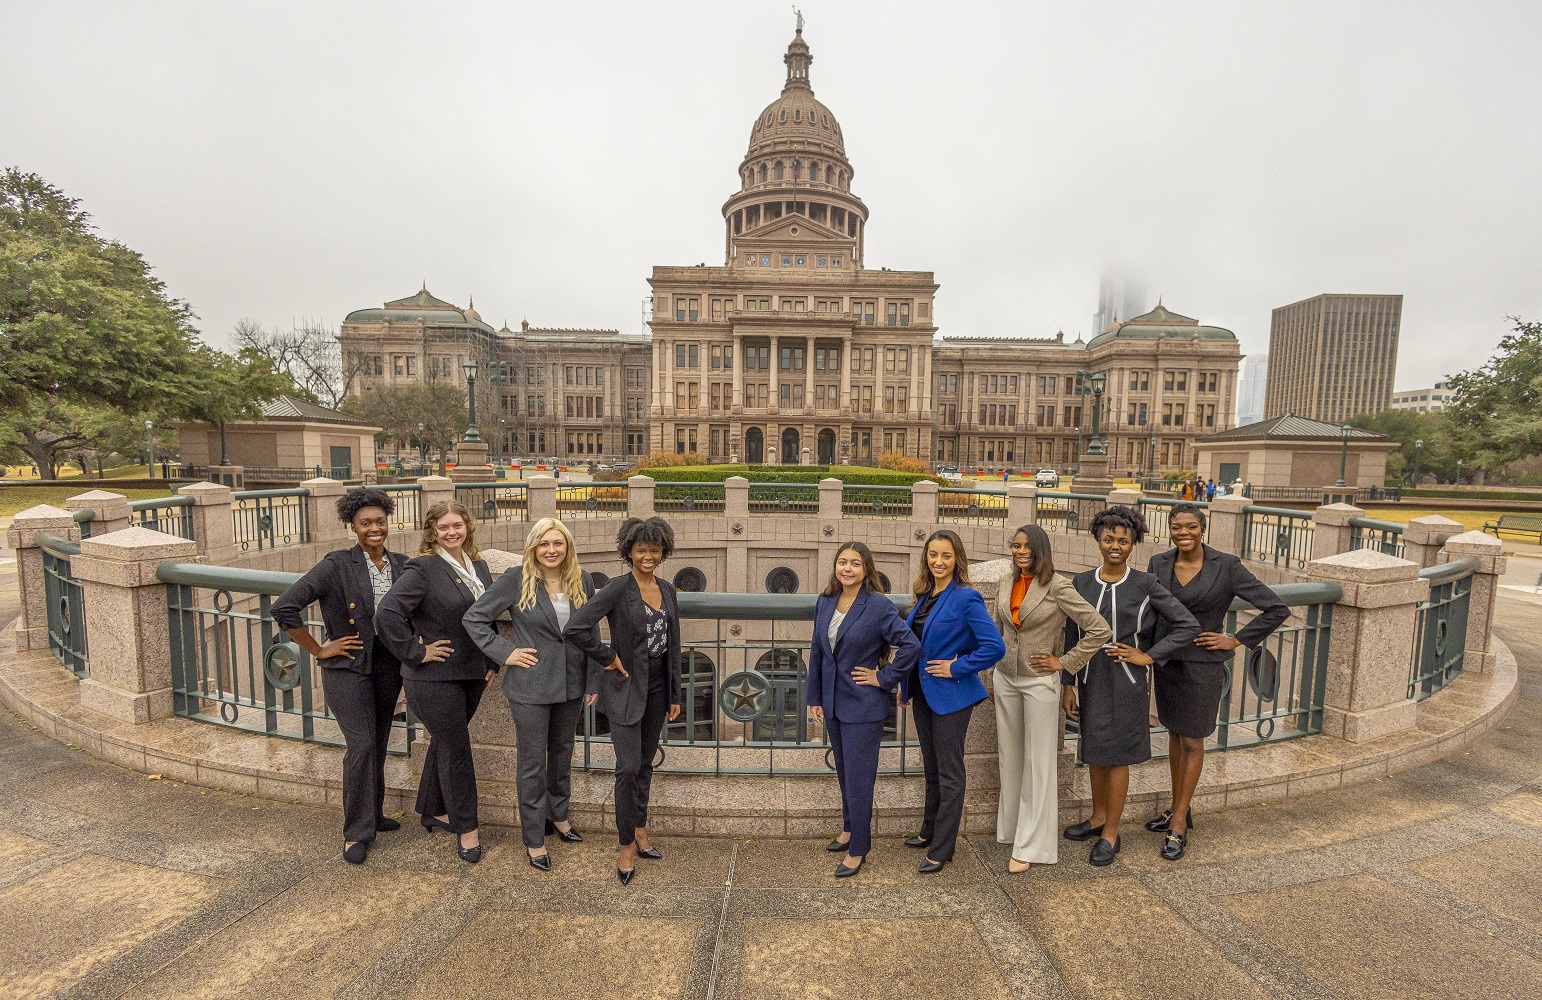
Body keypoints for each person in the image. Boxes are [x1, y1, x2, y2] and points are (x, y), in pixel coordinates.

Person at [273, 488, 410, 865]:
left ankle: (375, 815)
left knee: (379, 742)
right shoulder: (336, 565)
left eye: (380, 521)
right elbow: (285, 607)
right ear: (353, 525)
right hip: (347, 668)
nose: (374, 528)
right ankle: (355, 833)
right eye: (366, 523)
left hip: (388, 667)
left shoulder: (401, 564)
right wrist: (318, 649)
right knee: (362, 745)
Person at [1144, 503, 1289, 859]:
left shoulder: (1226, 566)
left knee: (1193, 741)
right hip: (1167, 663)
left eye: (1191, 526)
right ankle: (1181, 808)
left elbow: (1275, 608)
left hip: (1202, 666)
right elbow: (1149, 611)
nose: (1183, 533)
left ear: (1202, 528)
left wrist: (1236, 639)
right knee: (1175, 737)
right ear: (1170, 529)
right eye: (1176, 527)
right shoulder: (1158, 563)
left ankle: (1178, 823)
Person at [1062, 506, 1200, 866]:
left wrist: (1148, 656)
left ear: (1133, 544)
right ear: (1098, 541)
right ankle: (1097, 817)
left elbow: (1186, 625)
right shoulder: (1081, 583)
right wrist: (1067, 683)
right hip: (1090, 677)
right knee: (1093, 749)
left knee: (1118, 754)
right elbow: (1071, 634)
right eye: (1109, 539)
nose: (1115, 546)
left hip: (1127, 681)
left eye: (1123, 540)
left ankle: (1112, 833)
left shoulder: (1145, 584)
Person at [463, 517, 600, 871]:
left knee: (563, 752)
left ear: (567, 546)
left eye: (558, 543)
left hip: (571, 683)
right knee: (532, 764)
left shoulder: (582, 580)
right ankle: (534, 837)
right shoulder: (515, 579)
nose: (551, 550)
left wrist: (593, 680)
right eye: (544, 544)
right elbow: (474, 618)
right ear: (533, 548)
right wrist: (504, 653)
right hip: (530, 686)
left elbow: (591, 633)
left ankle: (559, 816)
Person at [376, 500, 496, 864]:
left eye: (457, 525)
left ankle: (431, 809)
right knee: (457, 748)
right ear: (432, 532)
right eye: (443, 527)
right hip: (433, 678)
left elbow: (485, 619)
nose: (451, 532)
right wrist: (416, 652)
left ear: (467, 527)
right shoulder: (423, 568)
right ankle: (467, 828)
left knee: (445, 743)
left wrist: (490, 661)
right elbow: (387, 613)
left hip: (473, 674)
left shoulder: (478, 566)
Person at [564, 516, 682, 885]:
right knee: (627, 768)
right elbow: (577, 627)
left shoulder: (668, 589)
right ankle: (626, 844)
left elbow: (673, 646)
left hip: (659, 689)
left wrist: (675, 694)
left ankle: (642, 830)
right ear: (629, 551)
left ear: (664, 552)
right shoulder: (617, 588)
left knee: (646, 764)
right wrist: (607, 656)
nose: (648, 555)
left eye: (655, 549)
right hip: (626, 689)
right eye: (641, 549)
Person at [989, 524, 1111, 872]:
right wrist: (993, 677)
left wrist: (1065, 662)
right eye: (1016, 545)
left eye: (1027, 546)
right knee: (1010, 758)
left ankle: (1034, 847)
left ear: (1040, 549)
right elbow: (1000, 631)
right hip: (1006, 678)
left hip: (1040, 682)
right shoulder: (1005, 582)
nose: (1020, 551)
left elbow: (1099, 628)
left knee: (1039, 763)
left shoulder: (1058, 586)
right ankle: (1013, 831)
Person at [807, 542, 921, 878]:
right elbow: (817, 652)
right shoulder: (825, 601)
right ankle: (848, 830)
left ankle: (859, 849)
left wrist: (883, 677)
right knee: (844, 773)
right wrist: (813, 698)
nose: (847, 569)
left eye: (855, 564)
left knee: (859, 779)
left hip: (863, 706)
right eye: (842, 562)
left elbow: (911, 645)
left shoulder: (877, 606)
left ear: (866, 569)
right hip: (832, 704)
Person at [900, 529, 1005, 873]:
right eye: (933, 555)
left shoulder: (966, 597)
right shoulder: (924, 594)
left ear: (957, 559)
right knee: (931, 768)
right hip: (922, 693)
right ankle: (929, 832)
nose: (938, 562)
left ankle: (942, 849)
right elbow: (914, 645)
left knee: (950, 773)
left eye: (946, 556)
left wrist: (958, 666)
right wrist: (905, 684)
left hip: (952, 696)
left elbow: (994, 646)